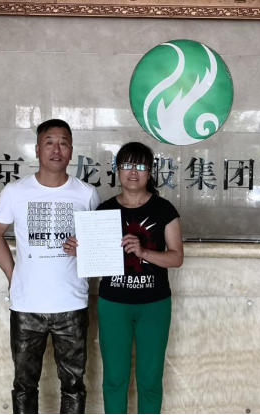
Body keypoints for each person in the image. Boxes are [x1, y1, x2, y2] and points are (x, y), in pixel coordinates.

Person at [0, 119, 101, 415]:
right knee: (24, 385)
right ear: (37, 149)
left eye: (63, 143)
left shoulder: (86, 194)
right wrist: (12, 275)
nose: (56, 149)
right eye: (49, 142)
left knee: (73, 385)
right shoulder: (15, 192)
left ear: (71, 150)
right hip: (27, 305)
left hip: (72, 304)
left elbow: (97, 246)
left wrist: (84, 248)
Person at [64, 142, 184, 414]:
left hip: (154, 304)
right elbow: (95, 257)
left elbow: (176, 257)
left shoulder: (164, 209)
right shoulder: (104, 210)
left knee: (150, 379)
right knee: (114, 379)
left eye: (140, 166)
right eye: (127, 165)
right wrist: (78, 249)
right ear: (117, 170)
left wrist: (144, 252)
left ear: (150, 171)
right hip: (114, 304)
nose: (133, 172)